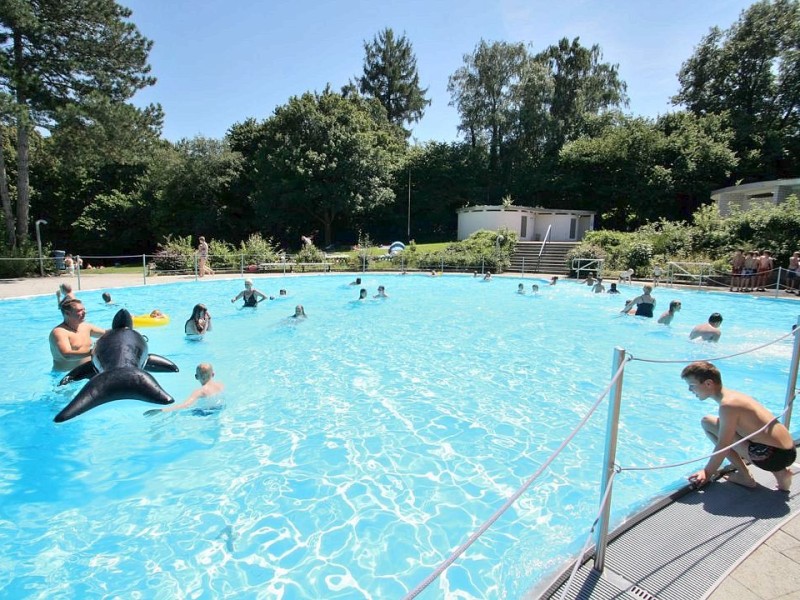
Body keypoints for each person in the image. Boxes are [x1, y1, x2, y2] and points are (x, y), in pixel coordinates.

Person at [682, 361, 794, 491]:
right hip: (788, 451)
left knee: (707, 423)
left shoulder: (727, 406)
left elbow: (724, 445)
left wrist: (707, 473)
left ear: (708, 383)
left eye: (692, 385)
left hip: (771, 457)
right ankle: (781, 475)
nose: (690, 390)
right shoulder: (734, 396)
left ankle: (746, 476)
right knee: (716, 424)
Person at [145, 363, 224, 416]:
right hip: (220, 409)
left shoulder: (200, 391)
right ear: (213, 374)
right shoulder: (220, 385)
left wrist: (162, 411)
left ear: (196, 377)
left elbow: (185, 405)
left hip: (206, 413)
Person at [49, 298, 105, 371]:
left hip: (88, 370)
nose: (84, 312)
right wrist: (95, 351)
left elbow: (107, 334)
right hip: (67, 377)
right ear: (67, 313)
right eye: (79, 310)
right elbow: (67, 355)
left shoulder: (86, 327)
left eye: (84, 309)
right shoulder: (59, 332)